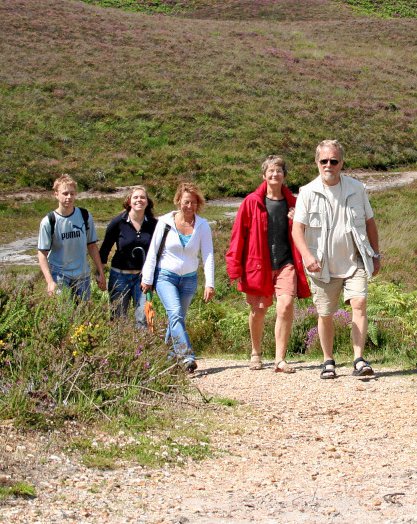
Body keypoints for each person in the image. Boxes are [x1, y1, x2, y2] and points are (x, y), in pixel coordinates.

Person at [292, 140, 382, 379]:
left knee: (359, 305)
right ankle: (328, 360)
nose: (328, 165)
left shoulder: (357, 188)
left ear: (341, 162)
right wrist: (307, 257)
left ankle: (359, 359)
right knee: (325, 313)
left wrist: (376, 254)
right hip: (322, 266)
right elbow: (297, 230)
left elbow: (370, 223)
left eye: (333, 161)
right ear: (317, 162)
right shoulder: (307, 192)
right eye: (324, 161)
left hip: (356, 261)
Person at [226, 156, 310, 372]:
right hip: (258, 265)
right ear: (264, 175)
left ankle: (279, 359)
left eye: (279, 171)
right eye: (271, 171)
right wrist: (234, 267)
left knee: (286, 305)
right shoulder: (251, 201)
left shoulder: (294, 203)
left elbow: (305, 235)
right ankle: (256, 352)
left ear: (284, 175)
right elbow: (238, 236)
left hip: (286, 263)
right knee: (258, 310)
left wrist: (297, 221)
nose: (275, 174)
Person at [141, 182, 215, 373]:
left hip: (189, 279)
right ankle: (187, 357)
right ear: (178, 201)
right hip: (166, 276)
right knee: (174, 314)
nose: (189, 207)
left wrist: (210, 283)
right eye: (185, 202)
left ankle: (166, 358)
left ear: (198, 204)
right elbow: (153, 251)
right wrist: (147, 279)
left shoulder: (202, 226)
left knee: (177, 319)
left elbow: (207, 255)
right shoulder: (165, 222)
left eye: (193, 203)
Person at [37, 174, 106, 303]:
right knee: (65, 314)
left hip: (82, 275)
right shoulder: (49, 221)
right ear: (56, 195)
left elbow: (92, 246)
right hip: (60, 276)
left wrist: (100, 272)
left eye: (72, 194)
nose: (69, 197)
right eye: (65, 193)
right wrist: (50, 282)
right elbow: (42, 254)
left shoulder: (85, 216)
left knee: (84, 313)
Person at [99, 186, 157, 328]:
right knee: (118, 319)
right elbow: (104, 249)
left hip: (144, 279)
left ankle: (142, 349)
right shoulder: (118, 223)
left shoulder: (154, 225)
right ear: (129, 201)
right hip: (120, 277)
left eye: (142, 197)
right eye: (135, 197)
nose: (139, 200)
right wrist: (99, 274)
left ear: (147, 202)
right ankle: (120, 349)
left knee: (143, 318)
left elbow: (159, 252)